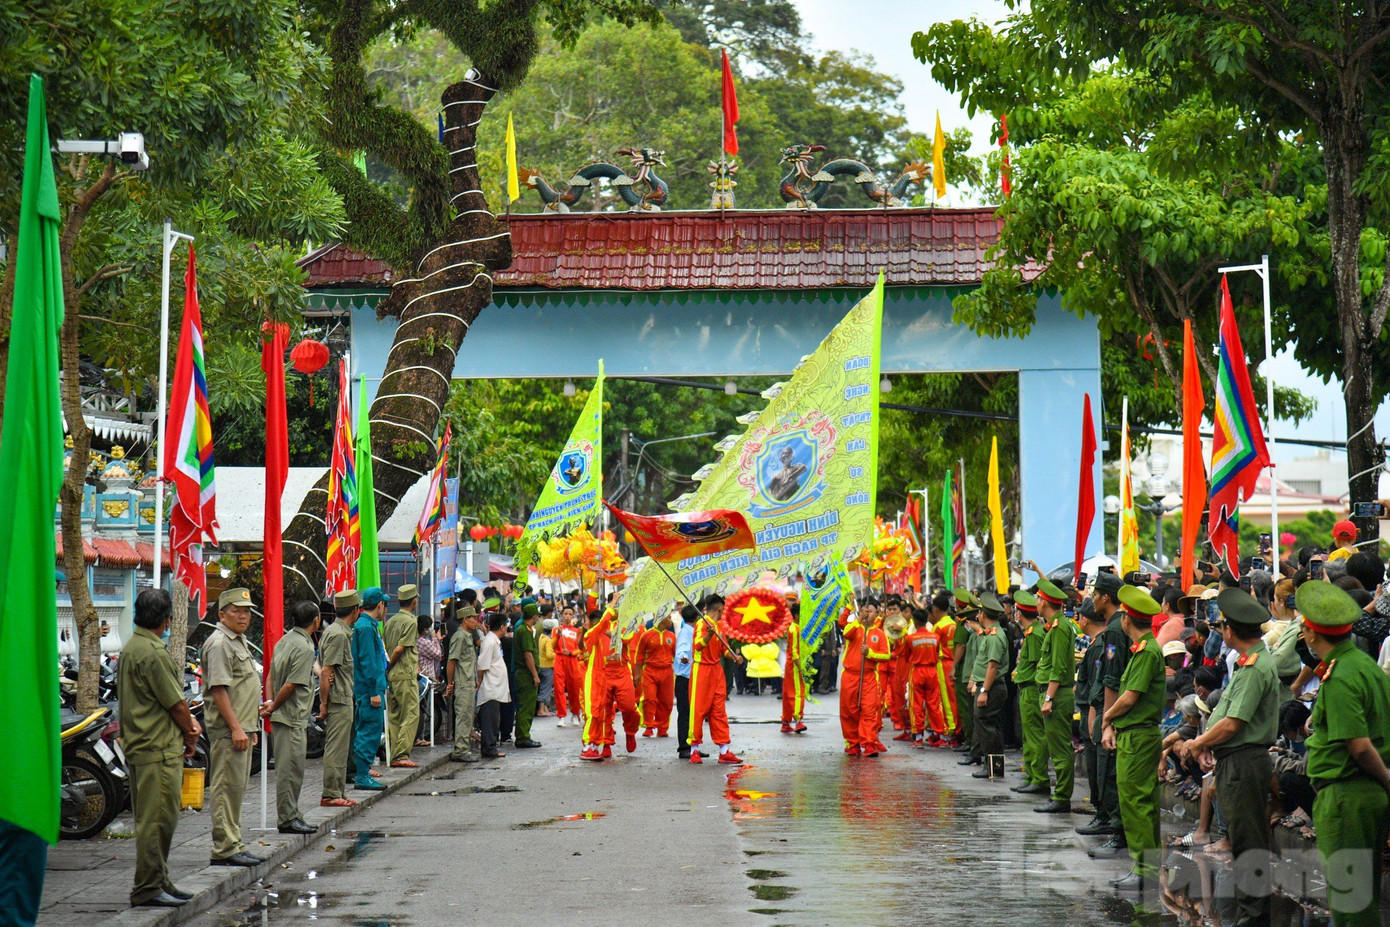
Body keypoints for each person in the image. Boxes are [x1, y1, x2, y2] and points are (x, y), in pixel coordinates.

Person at [1178, 587, 1281, 925]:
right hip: (1235, 760)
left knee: (1248, 846)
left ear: (1230, 630)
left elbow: (1234, 724)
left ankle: (1252, 918)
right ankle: (1249, 914)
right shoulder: (1248, 663)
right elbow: (1226, 717)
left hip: (1244, 762)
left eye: (1222, 626)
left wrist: (1197, 744)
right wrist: (1209, 744)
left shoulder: (1254, 668)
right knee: (1242, 842)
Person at [1297, 579, 1390, 926]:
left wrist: (1387, 779)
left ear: (1310, 633)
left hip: (1347, 795)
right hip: (1362, 795)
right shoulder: (1364, 665)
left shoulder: (1340, 676)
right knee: (1360, 898)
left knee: (1350, 907)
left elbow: (1359, 745)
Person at [117, 588, 201, 908]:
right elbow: (177, 705)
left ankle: (159, 878)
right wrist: (191, 731)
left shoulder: (132, 646)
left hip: (143, 744)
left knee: (157, 819)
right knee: (158, 822)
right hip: (156, 747)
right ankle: (148, 886)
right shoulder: (153, 652)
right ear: (166, 619)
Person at [1100, 585, 1165, 892]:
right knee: (1141, 804)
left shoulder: (1147, 651)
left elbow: (1128, 698)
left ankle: (1145, 869)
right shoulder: (1145, 649)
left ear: (1127, 619)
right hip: (1135, 735)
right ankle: (1146, 868)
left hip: (1138, 738)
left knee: (1136, 804)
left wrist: (1107, 718)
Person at [203, 588, 264, 867]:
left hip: (242, 727)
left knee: (236, 789)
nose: (243, 615)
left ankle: (234, 843)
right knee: (226, 788)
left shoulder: (237, 640)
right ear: (222, 614)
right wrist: (237, 728)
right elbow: (219, 690)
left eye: (247, 610)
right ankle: (225, 848)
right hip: (229, 730)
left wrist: (248, 724)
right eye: (237, 610)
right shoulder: (219, 644)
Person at [261, 600, 320, 836]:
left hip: (283, 714)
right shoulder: (305, 648)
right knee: (290, 771)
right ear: (315, 620)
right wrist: (273, 704)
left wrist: (269, 702)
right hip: (291, 716)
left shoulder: (284, 641)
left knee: (292, 769)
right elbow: (292, 684)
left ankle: (293, 814)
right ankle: (287, 819)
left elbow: (271, 677)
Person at [1085, 571, 1130, 858]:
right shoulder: (1117, 625)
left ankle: (1118, 834)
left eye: (1095, 594)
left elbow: (1112, 678)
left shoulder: (1114, 629)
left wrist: (1106, 720)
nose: (1092, 600)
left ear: (1106, 597)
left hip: (1110, 707)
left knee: (1109, 774)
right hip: (1110, 706)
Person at [1035, 577, 1077, 814]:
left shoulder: (1060, 628)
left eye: (1039, 598)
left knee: (1060, 749)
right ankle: (1059, 794)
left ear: (1045, 602)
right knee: (1056, 747)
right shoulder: (1054, 626)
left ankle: (1061, 797)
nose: (1036, 601)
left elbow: (1059, 667)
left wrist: (1049, 698)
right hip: (1052, 693)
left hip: (1057, 695)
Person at [688, 595, 744, 764]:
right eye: (722, 610)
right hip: (702, 669)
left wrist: (734, 657)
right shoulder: (701, 623)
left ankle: (724, 750)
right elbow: (698, 645)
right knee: (698, 710)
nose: (723, 614)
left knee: (719, 711)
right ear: (719, 609)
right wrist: (707, 636)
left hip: (716, 671)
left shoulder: (718, 627)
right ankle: (694, 750)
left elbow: (724, 649)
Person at [318, 590, 358, 808]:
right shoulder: (339, 634)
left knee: (341, 749)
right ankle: (331, 794)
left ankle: (337, 792)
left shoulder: (337, 631)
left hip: (342, 696)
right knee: (336, 749)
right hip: (338, 699)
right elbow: (326, 671)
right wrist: (324, 704)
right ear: (355, 610)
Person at [1074, 596, 1109, 832]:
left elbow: (1097, 686)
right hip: (1090, 710)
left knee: (1098, 768)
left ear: (1085, 619)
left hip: (1092, 711)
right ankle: (1102, 813)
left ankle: (1103, 815)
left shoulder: (1098, 646)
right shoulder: (1098, 643)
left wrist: (1092, 716)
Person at [964, 593, 1009, 777]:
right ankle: (994, 767)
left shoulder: (994, 637)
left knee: (987, 727)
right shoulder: (992, 634)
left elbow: (992, 666)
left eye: (979, 612)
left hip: (992, 686)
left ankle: (991, 766)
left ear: (983, 614)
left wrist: (984, 691)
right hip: (990, 685)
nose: (977, 616)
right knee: (992, 726)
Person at [839, 600, 890, 757]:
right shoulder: (854, 627)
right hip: (850, 675)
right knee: (849, 711)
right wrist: (859, 620)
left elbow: (886, 655)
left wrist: (870, 654)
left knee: (869, 710)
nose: (868, 613)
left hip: (868, 676)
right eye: (865, 610)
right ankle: (852, 743)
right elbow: (846, 633)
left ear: (877, 614)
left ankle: (869, 743)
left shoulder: (880, 634)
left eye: (871, 611)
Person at [350, 587, 389, 790]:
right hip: (369, 690)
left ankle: (363, 774)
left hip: (371, 688)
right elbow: (368, 662)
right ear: (379, 605)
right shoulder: (365, 628)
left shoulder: (367, 625)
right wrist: (374, 691)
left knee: (370, 731)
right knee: (368, 732)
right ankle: (362, 776)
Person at [1010, 590, 1048, 794]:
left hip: (1031, 689)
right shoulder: (1031, 632)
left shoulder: (1034, 635)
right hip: (1026, 688)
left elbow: (1035, 664)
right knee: (1028, 734)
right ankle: (1032, 775)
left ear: (1019, 613)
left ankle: (1039, 778)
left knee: (1035, 735)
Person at [381, 584, 421, 768]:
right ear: (414, 601)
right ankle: (401, 754)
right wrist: (391, 664)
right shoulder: (411, 622)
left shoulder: (390, 622)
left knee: (395, 715)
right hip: (404, 673)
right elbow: (399, 649)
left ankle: (395, 753)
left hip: (392, 676)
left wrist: (388, 668)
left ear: (398, 601)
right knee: (411, 713)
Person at [444, 606, 480, 763]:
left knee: (467, 716)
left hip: (468, 682)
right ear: (465, 619)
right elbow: (452, 661)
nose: (476, 622)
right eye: (473, 618)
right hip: (462, 683)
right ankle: (460, 750)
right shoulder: (459, 637)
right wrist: (450, 683)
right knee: (463, 717)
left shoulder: (467, 636)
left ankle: (463, 748)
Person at [905, 607, 944, 746]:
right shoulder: (936, 637)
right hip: (932, 672)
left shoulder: (910, 638)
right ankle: (940, 736)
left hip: (917, 672)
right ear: (927, 620)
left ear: (915, 622)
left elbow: (906, 656)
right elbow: (938, 653)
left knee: (916, 705)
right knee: (934, 704)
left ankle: (918, 738)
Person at [476, 612, 510, 758]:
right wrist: (480, 681)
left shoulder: (494, 640)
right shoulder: (489, 642)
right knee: (490, 719)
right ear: (502, 627)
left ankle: (491, 746)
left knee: (494, 718)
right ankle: (489, 748)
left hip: (496, 686)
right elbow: (482, 665)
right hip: (490, 686)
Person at [637, 614, 676, 737]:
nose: (671, 620)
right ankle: (649, 725)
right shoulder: (646, 635)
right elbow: (639, 656)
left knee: (666, 701)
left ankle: (662, 728)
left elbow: (676, 655)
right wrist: (636, 674)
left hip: (667, 671)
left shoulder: (672, 637)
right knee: (649, 698)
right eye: (669, 618)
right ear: (661, 618)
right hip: (650, 671)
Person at [951, 591, 979, 752]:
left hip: (965, 671)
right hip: (968, 670)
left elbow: (960, 646)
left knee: (966, 708)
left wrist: (954, 667)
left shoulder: (963, 624)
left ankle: (970, 741)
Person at [930, 592, 959, 746]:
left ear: (935, 609)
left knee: (946, 700)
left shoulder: (938, 627)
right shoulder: (954, 623)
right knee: (954, 698)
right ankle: (955, 730)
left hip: (944, 665)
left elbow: (934, 649)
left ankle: (950, 732)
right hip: (956, 663)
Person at [512, 602, 542, 748]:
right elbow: (528, 655)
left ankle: (523, 735)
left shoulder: (524, 629)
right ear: (534, 616)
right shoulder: (525, 631)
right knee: (526, 706)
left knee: (525, 705)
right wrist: (535, 675)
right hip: (526, 674)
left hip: (524, 672)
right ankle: (523, 737)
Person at [553, 606, 584, 728]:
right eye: (565, 613)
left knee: (574, 688)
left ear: (573, 616)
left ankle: (575, 713)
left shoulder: (577, 631)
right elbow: (552, 645)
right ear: (561, 615)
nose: (567, 616)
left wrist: (571, 652)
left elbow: (580, 648)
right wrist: (557, 636)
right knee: (559, 687)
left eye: (570, 614)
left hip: (572, 660)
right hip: (559, 659)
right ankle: (561, 716)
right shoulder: (556, 629)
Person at [674, 604, 697, 759]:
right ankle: (684, 747)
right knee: (685, 713)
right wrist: (683, 657)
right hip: (684, 678)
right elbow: (682, 649)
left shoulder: (694, 632)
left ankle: (692, 745)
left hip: (691, 677)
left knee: (692, 713)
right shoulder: (686, 633)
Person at [780, 611, 808, 734]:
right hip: (794, 665)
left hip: (790, 664)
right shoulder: (795, 629)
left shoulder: (793, 628)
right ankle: (798, 720)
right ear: (796, 615)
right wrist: (800, 667)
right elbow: (794, 651)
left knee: (787, 694)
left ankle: (786, 722)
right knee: (797, 694)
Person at [537, 614, 556, 715]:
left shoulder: (542, 637)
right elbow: (549, 654)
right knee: (546, 688)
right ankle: (542, 710)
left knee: (544, 687)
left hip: (541, 665)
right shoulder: (548, 640)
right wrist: (557, 654)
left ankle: (544, 709)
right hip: (547, 666)